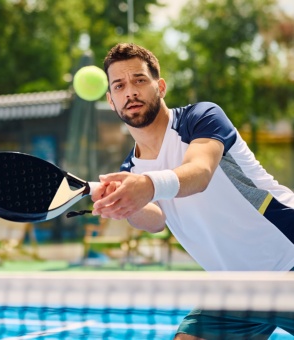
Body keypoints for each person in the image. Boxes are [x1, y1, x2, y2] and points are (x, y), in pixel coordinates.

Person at [91, 43, 294, 339]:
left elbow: (199, 173)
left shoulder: (201, 118)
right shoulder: (131, 168)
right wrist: (123, 204)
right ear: (111, 100)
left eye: (139, 80)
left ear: (159, 86)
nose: (130, 92)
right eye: (119, 85)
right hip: (235, 289)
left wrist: (147, 187)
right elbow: (157, 219)